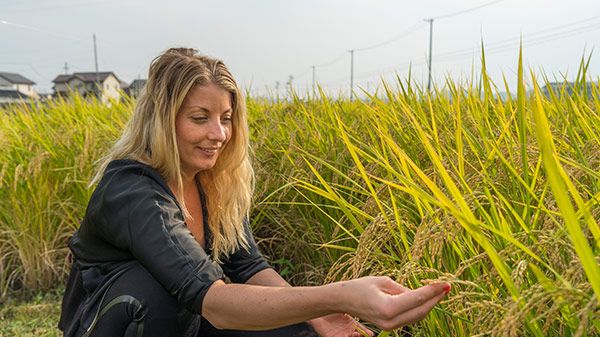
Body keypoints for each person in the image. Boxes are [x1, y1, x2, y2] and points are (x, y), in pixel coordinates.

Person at [58, 47, 451, 337]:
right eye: (200, 118)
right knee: (160, 294)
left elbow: (247, 267)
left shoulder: (213, 181)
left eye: (226, 119)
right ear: (162, 119)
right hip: (110, 324)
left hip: (189, 319)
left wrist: (316, 316)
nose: (219, 135)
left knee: (301, 329)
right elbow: (213, 301)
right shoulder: (130, 189)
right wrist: (340, 295)